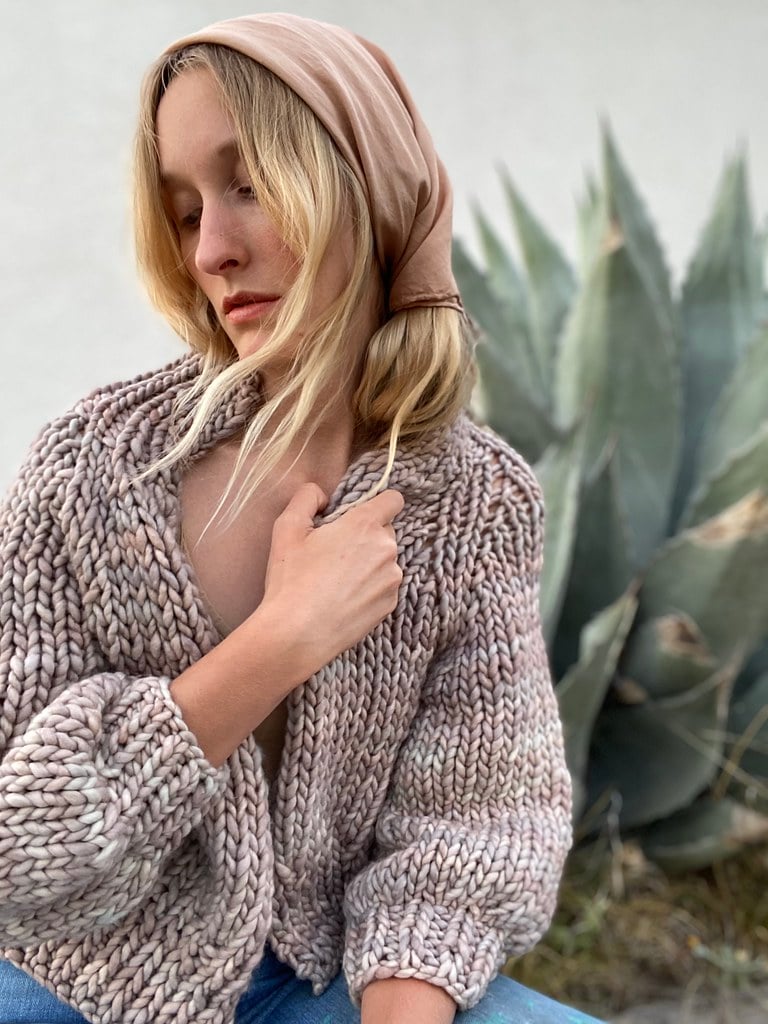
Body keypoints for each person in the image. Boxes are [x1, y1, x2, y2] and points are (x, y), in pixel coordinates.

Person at [0, 13, 603, 1024]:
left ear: (367, 183)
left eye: (248, 184)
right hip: (66, 981)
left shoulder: (474, 502)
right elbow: (16, 853)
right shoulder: (92, 473)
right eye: (184, 209)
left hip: (323, 984)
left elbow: (471, 826)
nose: (212, 249)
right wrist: (280, 641)